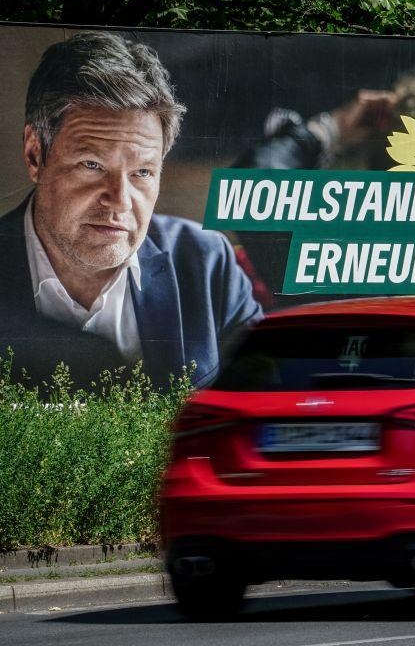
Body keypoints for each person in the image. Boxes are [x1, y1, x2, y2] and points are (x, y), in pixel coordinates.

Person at [0, 31, 262, 389]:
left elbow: (264, 405)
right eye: (92, 165)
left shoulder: (205, 262)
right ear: (35, 154)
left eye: (142, 172)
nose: (120, 200)